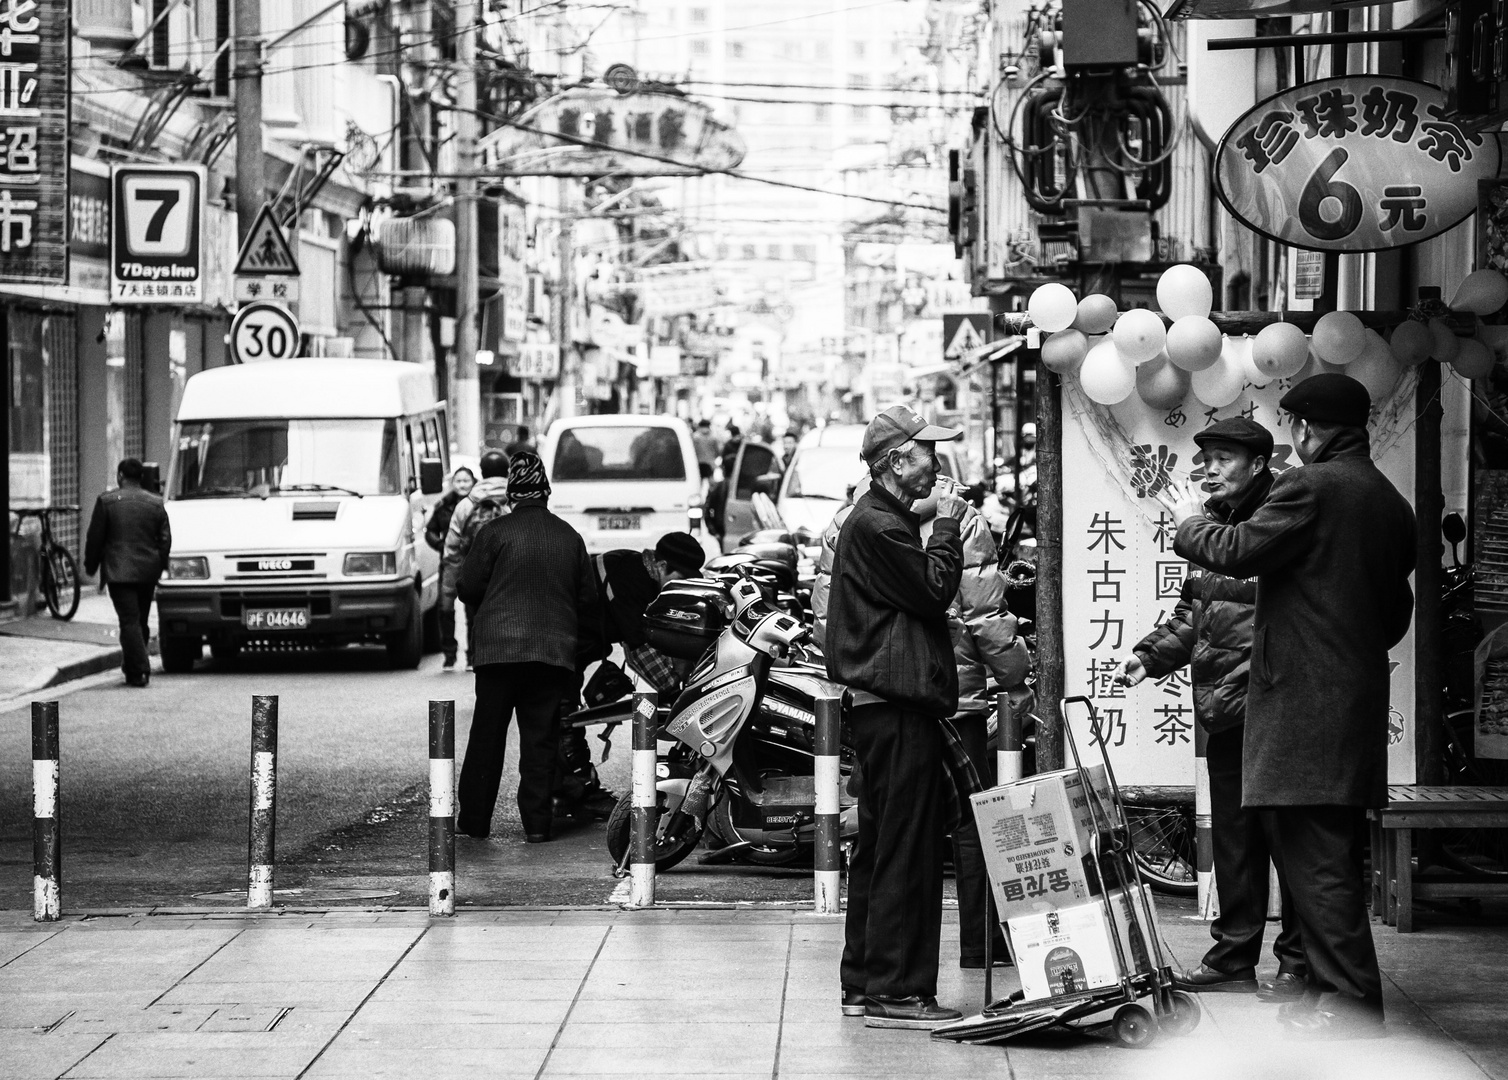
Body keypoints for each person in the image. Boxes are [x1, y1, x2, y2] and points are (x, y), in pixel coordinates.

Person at [1166, 373, 1416, 1039]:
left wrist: (1185, 525)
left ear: (1305, 430)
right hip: (1348, 705)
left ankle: (1352, 1006)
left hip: (1306, 711)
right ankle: (1327, 993)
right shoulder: (1390, 502)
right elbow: (1396, 615)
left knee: (1321, 865)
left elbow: (1239, 549)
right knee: (1325, 860)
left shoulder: (1312, 486)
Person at [1115, 417, 1307, 997]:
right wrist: (1150, 657)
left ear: (1257, 464)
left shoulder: (1277, 517)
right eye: (1208, 459)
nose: (1211, 469)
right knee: (1234, 837)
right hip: (1223, 706)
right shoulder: (1214, 526)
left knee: (1289, 839)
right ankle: (1233, 958)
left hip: (1273, 703)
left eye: (1225, 459)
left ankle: (1298, 960)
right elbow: (1194, 614)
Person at [825, 405, 968, 1030]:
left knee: (884, 846)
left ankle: (864, 981)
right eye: (925, 454)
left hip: (890, 704)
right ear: (896, 462)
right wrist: (947, 529)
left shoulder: (883, 520)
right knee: (905, 850)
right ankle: (897, 990)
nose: (934, 464)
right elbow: (933, 590)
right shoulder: (882, 527)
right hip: (897, 703)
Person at [456, 451, 600, 844]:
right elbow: (588, 599)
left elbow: (466, 588)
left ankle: (474, 821)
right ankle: (537, 826)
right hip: (551, 655)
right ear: (547, 494)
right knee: (540, 741)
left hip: (498, 654)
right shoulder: (569, 537)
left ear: (512, 497)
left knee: (487, 738)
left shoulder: (495, 533)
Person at [554, 532, 707, 820]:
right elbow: (638, 642)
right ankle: (576, 792)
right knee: (562, 716)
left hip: (575, 643)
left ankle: (568, 792)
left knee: (562, 713)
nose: (681, 587)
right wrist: (678, 690)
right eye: (680, 578)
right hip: (558, 643)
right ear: (661, 566)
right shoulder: (630, 578)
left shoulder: (637, 567)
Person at [84, 458, 172, 687]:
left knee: (129, 620)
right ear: (141, 477)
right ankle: (132, 669)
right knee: (138, 620)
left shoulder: (107, 501)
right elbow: (165, 540)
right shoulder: (155, 503)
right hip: (147, 572)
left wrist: (90, 565)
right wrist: (160, 564)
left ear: (120, 475)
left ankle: (140, 669)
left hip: (119, 571)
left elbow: (95, 538)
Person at [443, 451, 510, 669]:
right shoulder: (518, 501)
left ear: (482, 472)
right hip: (511, 575)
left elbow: (452, 547)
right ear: (507, 471)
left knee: (475, 618)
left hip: (476, 573)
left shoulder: (466, 504)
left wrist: (451, 585)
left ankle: (475, 658)